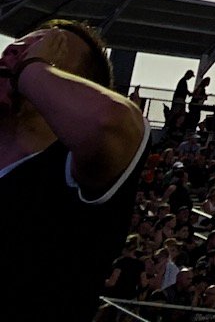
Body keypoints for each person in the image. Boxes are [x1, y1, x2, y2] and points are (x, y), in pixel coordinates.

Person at [0, 18, 150, 320]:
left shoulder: (69, 171)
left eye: (43, 47)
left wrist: (31, 69)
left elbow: (108, 122)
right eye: (17, 46)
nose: (14, 51)